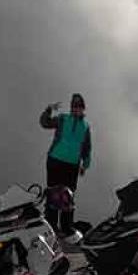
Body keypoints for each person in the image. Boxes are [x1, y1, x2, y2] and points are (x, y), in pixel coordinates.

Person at [38, 93, 92, 239]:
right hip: (55, 160)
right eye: (74, 107)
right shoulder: (63, 119)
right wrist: (48, 109)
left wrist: (85, 165)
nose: (76, 110)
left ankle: (67, 227)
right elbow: (45, 123)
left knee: (68, 195)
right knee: (53, 193)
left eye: (79, 107)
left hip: (72, 165)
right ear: (71, 108)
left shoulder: (85, 126)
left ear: (83, 109)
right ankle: (51, 226)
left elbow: (87, 147)